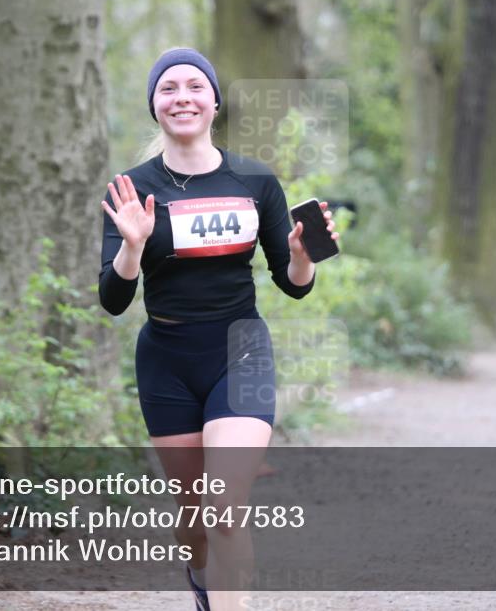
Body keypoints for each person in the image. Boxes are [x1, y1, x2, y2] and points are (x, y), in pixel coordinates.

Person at [98, 47, 339, 611]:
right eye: (168, 89)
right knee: (195, 520)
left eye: (194, 86)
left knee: (224, 505)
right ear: (155, 106)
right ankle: (207, 582)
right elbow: (113, 300)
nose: (182, 97)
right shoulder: (131, 190)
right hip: (167, 361)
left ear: (213, 100)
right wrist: (132, 247)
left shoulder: (255, 180)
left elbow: (294, 282)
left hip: (241, 350)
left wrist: (302, 254)